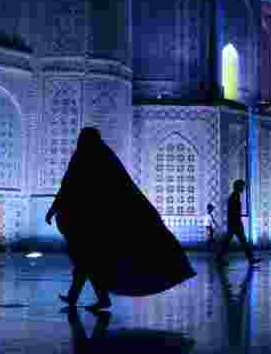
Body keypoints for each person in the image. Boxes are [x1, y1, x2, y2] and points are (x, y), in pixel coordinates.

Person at [46, 127, 196, 311]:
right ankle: (88, 298)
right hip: (96, 221)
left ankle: (84, 298)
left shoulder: (82, 158)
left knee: (85, 261)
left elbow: (68, 186)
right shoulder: (105, 158)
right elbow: (122, 189)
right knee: (87, 261)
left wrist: (53, 209)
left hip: (88, 221)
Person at [217, 180, 261, 264]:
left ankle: (219, 258)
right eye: (242, 186)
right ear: (238, 186)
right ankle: (251, 259)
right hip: (235, 224)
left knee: (231, 242)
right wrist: (238, 223)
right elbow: (234, 212)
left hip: (234, 224)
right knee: (240, 243)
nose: (243, 188)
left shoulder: (235, 196)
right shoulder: (234, 197)